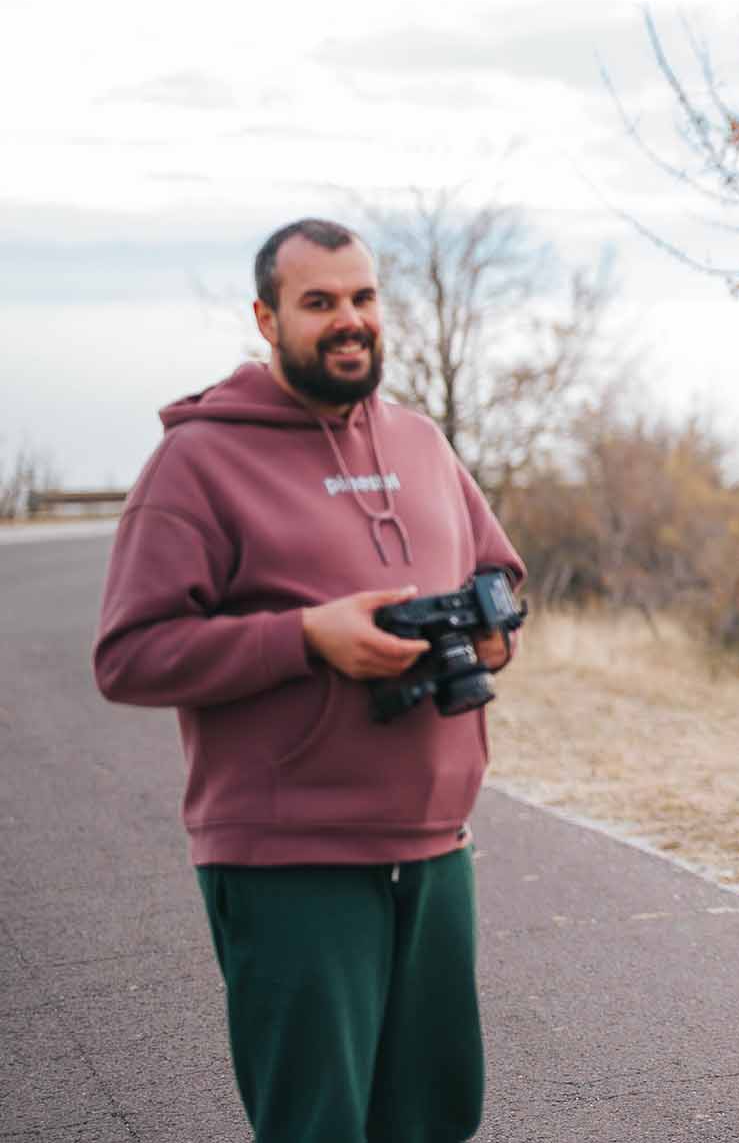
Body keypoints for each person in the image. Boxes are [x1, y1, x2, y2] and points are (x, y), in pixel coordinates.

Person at [92, 218, 523, 1143]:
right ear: (267, 317)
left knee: (437, 1119)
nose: (348, 320)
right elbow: (128, 654)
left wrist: (491, 638)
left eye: (362, 298)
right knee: (317, 1125)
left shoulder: (421, 442)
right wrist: (305, 638)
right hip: (289, 857)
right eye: (319, 302)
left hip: (435, 845)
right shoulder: (198, 461)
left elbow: (496, 572)